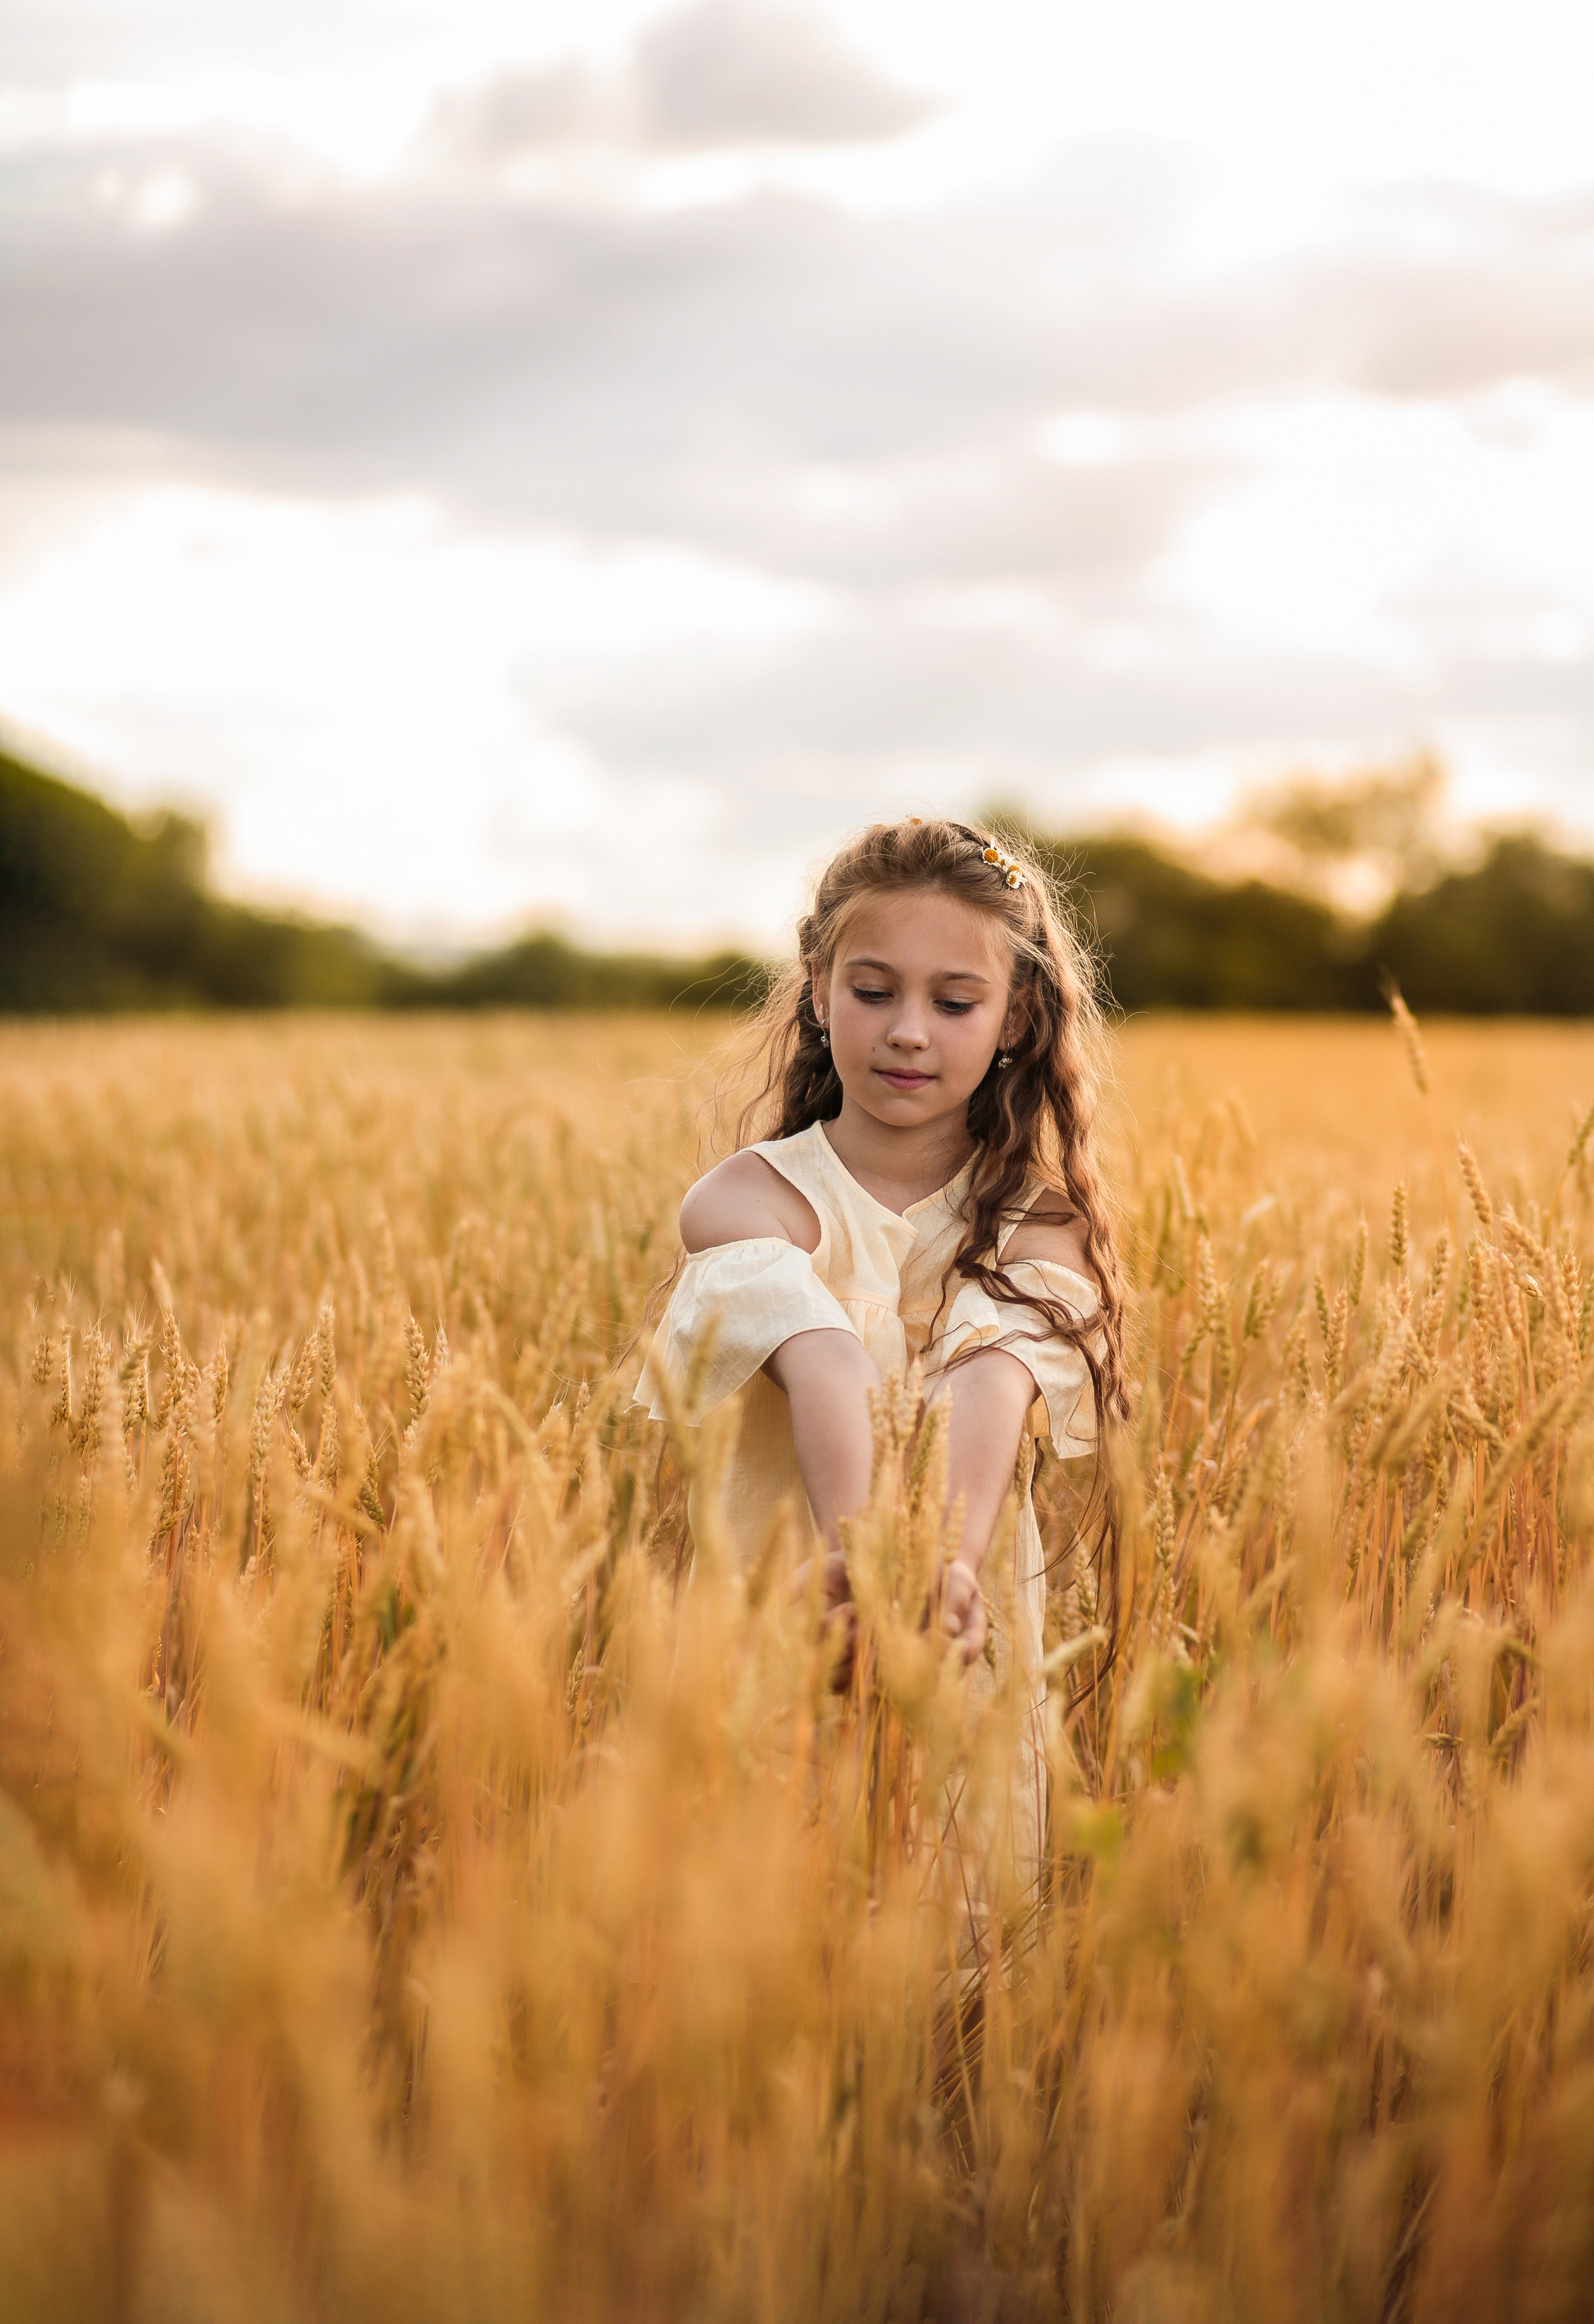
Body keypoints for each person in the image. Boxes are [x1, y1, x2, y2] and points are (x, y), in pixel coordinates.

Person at [638, 816, 1126, 1952]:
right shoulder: (750, 1198)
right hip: (779, 1621)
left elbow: (984, 1389)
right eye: (873, 991)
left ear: (1016, 1019)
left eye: (955, 1002)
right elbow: (828, 1363)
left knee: (950, 1938)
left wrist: (931, 1581)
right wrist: (866, 1564)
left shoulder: (1041, 1228)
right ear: (817, 992)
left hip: (959, 1631)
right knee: (757, 1930)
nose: (909, 1030)